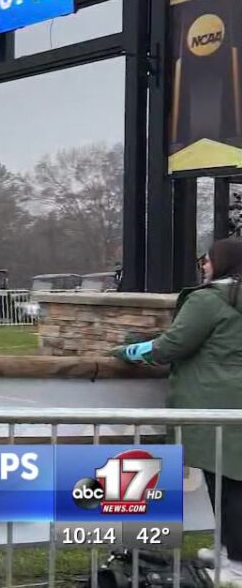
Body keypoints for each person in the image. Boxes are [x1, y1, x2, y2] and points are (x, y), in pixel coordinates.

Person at [112, 238, 242, 583]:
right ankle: (226, 550)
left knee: (229, 485)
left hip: (217, 402)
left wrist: (128, 351)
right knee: (228, 479)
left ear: (222, 263)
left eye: (207, 259)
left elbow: (173, 345)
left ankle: (237, 566)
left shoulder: (209, 300)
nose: (202, 265)